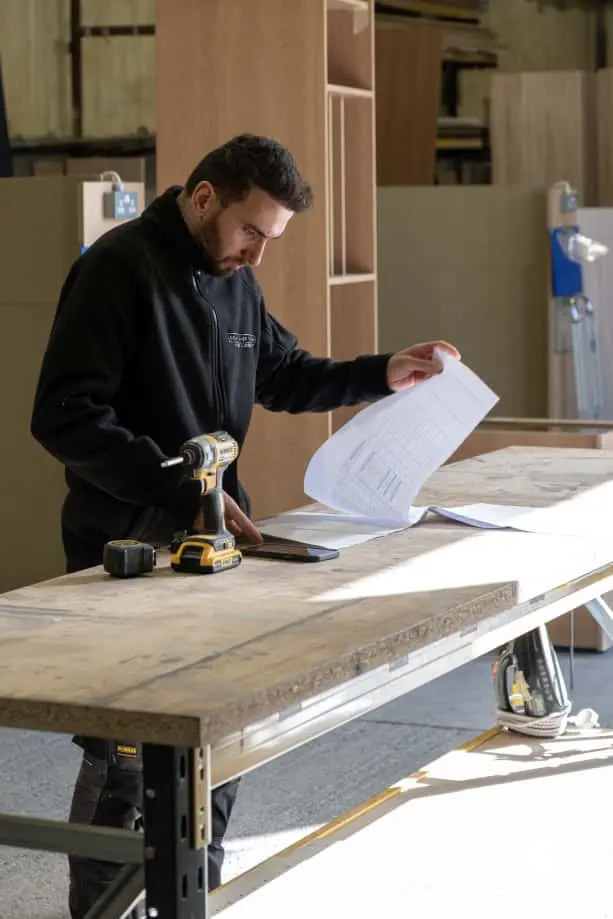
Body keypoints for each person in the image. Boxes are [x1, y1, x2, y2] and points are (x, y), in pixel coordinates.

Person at [30, 132, 460, 918]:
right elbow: (63, 415)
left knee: (218, 746)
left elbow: (285, 374)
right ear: (203, 199)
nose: (257, 253)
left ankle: (195, 899)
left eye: (271, 238)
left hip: (217, 547)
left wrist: (380, 373)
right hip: (128, 548)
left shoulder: (235, 285)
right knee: (127, 755)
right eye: (250, 231)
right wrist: (176, 485)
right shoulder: (117, 268)